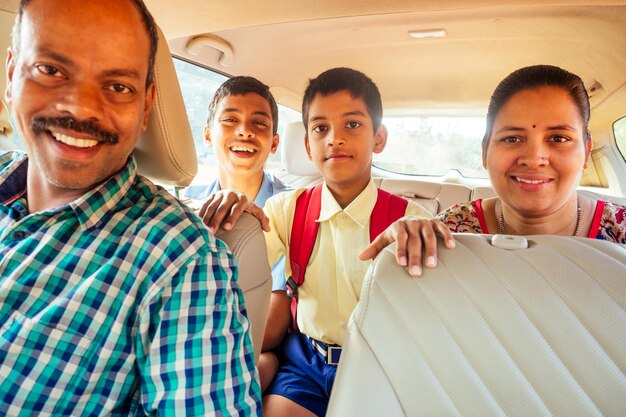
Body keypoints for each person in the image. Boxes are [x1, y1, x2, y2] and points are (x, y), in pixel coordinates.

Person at [0, 0, 260, 415]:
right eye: (50, 70)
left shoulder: (183, 261)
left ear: (145, 106)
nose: (81, 106)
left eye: (118, 86)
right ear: (12, 74)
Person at [254, 67, 451, 417]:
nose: (334, 138)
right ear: (308, 144)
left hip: (383, 365)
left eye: (353, 124)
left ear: (378, 138)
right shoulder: (285, 209)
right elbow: (234, 266)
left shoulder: (412, 219)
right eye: (320, 128)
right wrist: (236, 210)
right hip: (306, 363)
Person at [436, 64, 625, 243]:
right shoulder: (451, 229)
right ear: (485, 151)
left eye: (558, 138)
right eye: (511, 139)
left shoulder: (620, 229)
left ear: (586, 151)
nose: (534, 159)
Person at [186, 76, 291, 391]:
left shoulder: (290, 210)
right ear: (208, 135)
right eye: (230, 120)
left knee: (263, 364)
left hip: (251, 348)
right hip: (187, 338)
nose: (244, 130)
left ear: (274, 142)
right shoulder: (186, 202)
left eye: (259, 123)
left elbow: (271, 330)